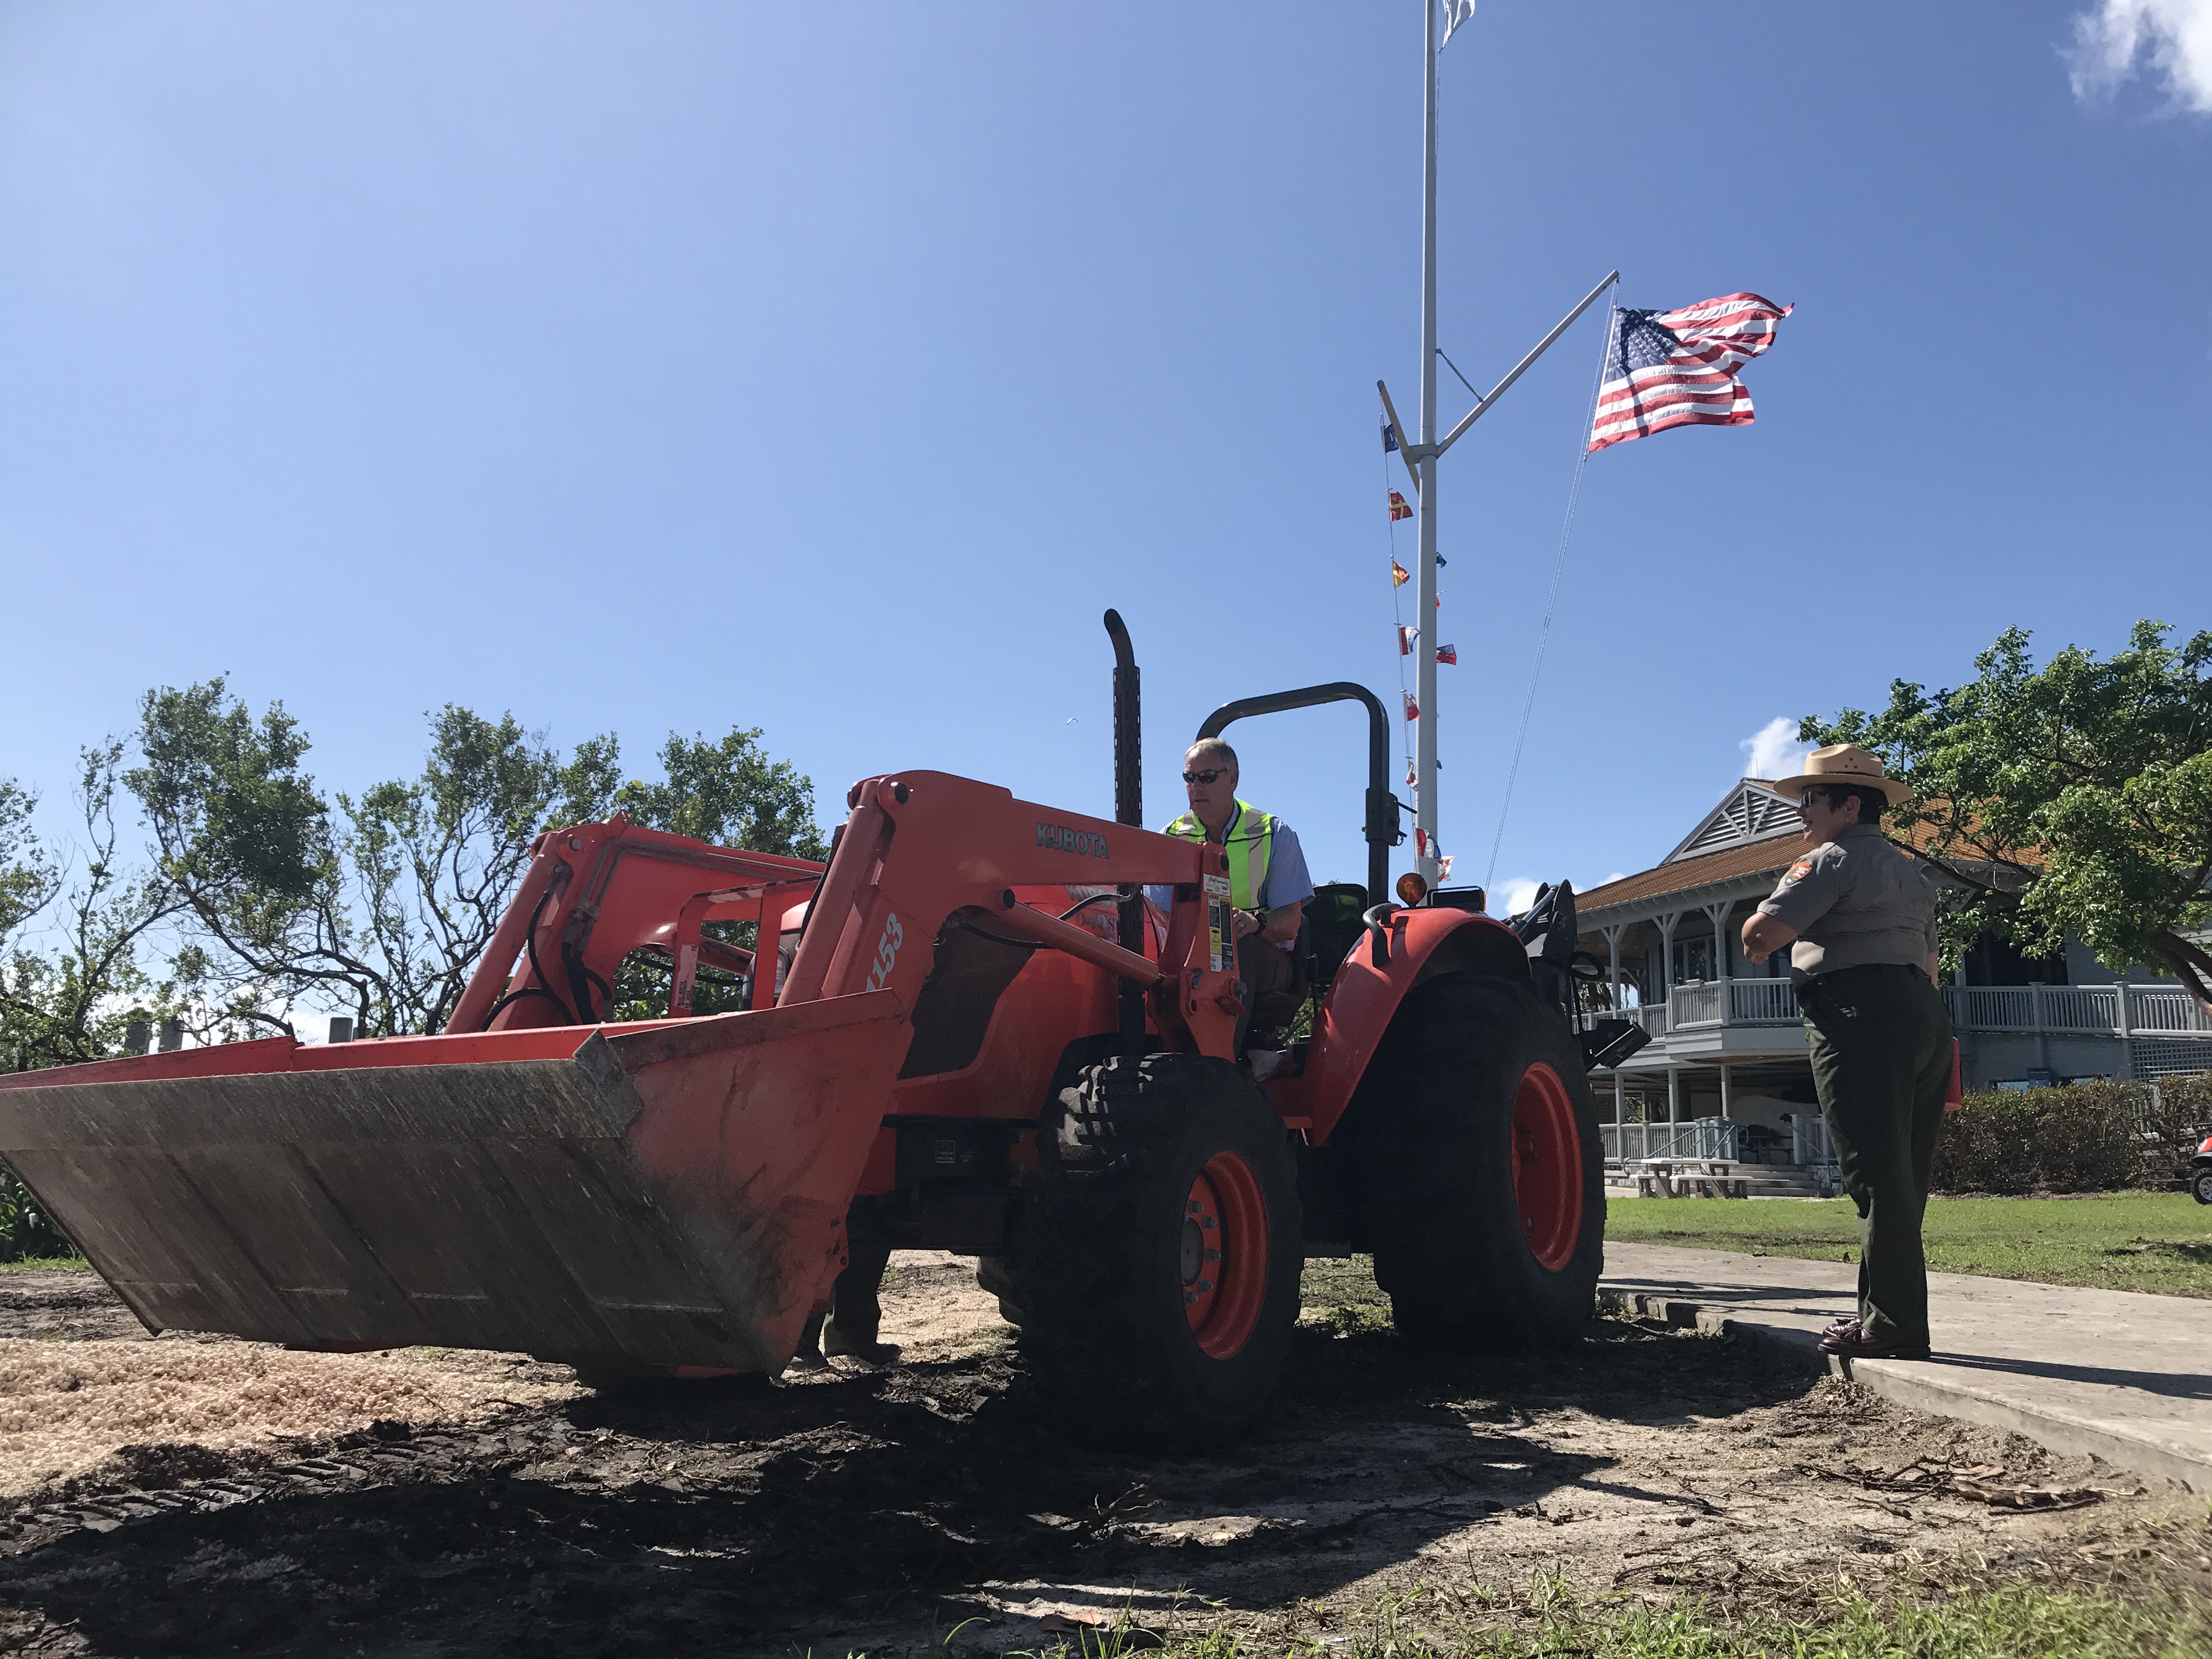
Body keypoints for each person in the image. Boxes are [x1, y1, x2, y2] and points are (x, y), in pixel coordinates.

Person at [1740, 743, 1951, 1361]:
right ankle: (1887, 1314)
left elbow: (1762, 939)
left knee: (1874, 1174)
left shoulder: (1827, 862)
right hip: (1923, 1014)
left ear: (1848, 804)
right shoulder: (1913, 875)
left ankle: (1891, 1327)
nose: (1800, 813)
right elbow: (1931, 964)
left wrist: (1760, 914)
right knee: (1906, 1177)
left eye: (1809, 800)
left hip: (1857, 1013)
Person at [1152, 738, 1316, 1044]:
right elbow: (1157, 920)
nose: (1196, 786)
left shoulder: (1273, 833)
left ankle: (1220, 1063)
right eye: (1189, 778)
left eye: (1207, 777)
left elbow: (1291, 922)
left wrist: (1255, 923)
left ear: (1233, 780)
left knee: (1227, 951)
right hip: (1189, 958)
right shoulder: (1170, 839)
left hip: (1261, 955)